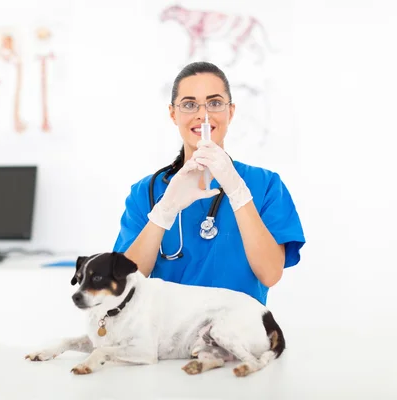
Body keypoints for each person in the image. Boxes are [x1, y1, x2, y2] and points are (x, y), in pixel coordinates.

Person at [112, 61, 305, 305]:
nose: (203, 115)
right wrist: (164, 212)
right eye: (189, 105)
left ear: (230, 112)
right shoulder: (146, 193)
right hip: (171, 337)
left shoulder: (265, 185)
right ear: (173, 114)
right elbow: (122, 285)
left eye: (214, 103)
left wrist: (238, 192)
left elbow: (270, 274)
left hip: (238, 334)